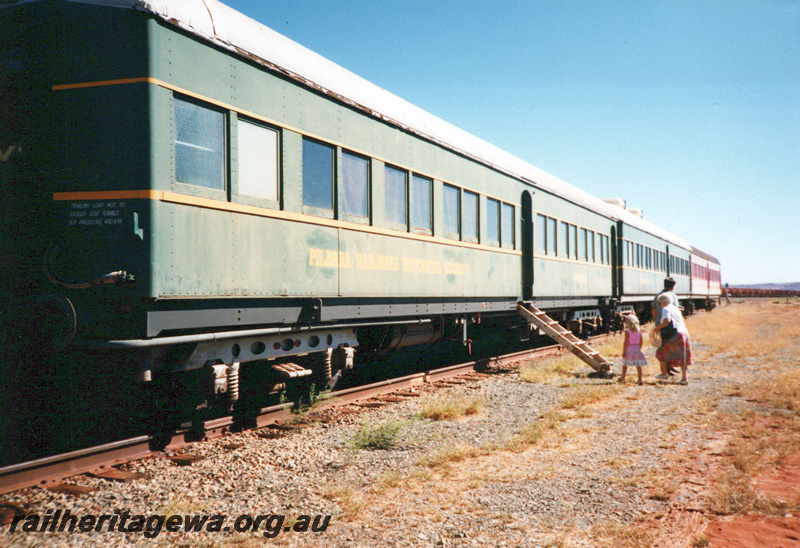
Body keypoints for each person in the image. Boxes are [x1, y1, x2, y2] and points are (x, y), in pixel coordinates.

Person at [653, 294, 692, 385]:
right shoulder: (676, 308)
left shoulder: (665, 309)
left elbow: (666, 321)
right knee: (682, 355)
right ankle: (684, 378)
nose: (660, 305)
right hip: (684, 333)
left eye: (660, 303)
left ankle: (664, 373)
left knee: (660, 352)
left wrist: (657, 328)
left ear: (663, 302)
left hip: (675, 334)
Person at [652, 277, 678, 375]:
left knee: (663, 346)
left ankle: (665, 368)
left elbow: (653, 310)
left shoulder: (658, 296)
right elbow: (675, 310)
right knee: (671, 346)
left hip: (660, 325)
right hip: (670, 326)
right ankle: (669, 366)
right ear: (673, 286)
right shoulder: (673, 296)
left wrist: (657, 323)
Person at [619, 314, 648, 385]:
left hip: (629, 348)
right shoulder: (639, 331)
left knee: (625, 363)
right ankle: (640, 379)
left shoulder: (627, 331)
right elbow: (641, 342)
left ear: (627, 323)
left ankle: (623, 377)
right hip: (636, 348)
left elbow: (626, 342)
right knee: (638, 365)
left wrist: (624, 351)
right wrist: (639, 348)